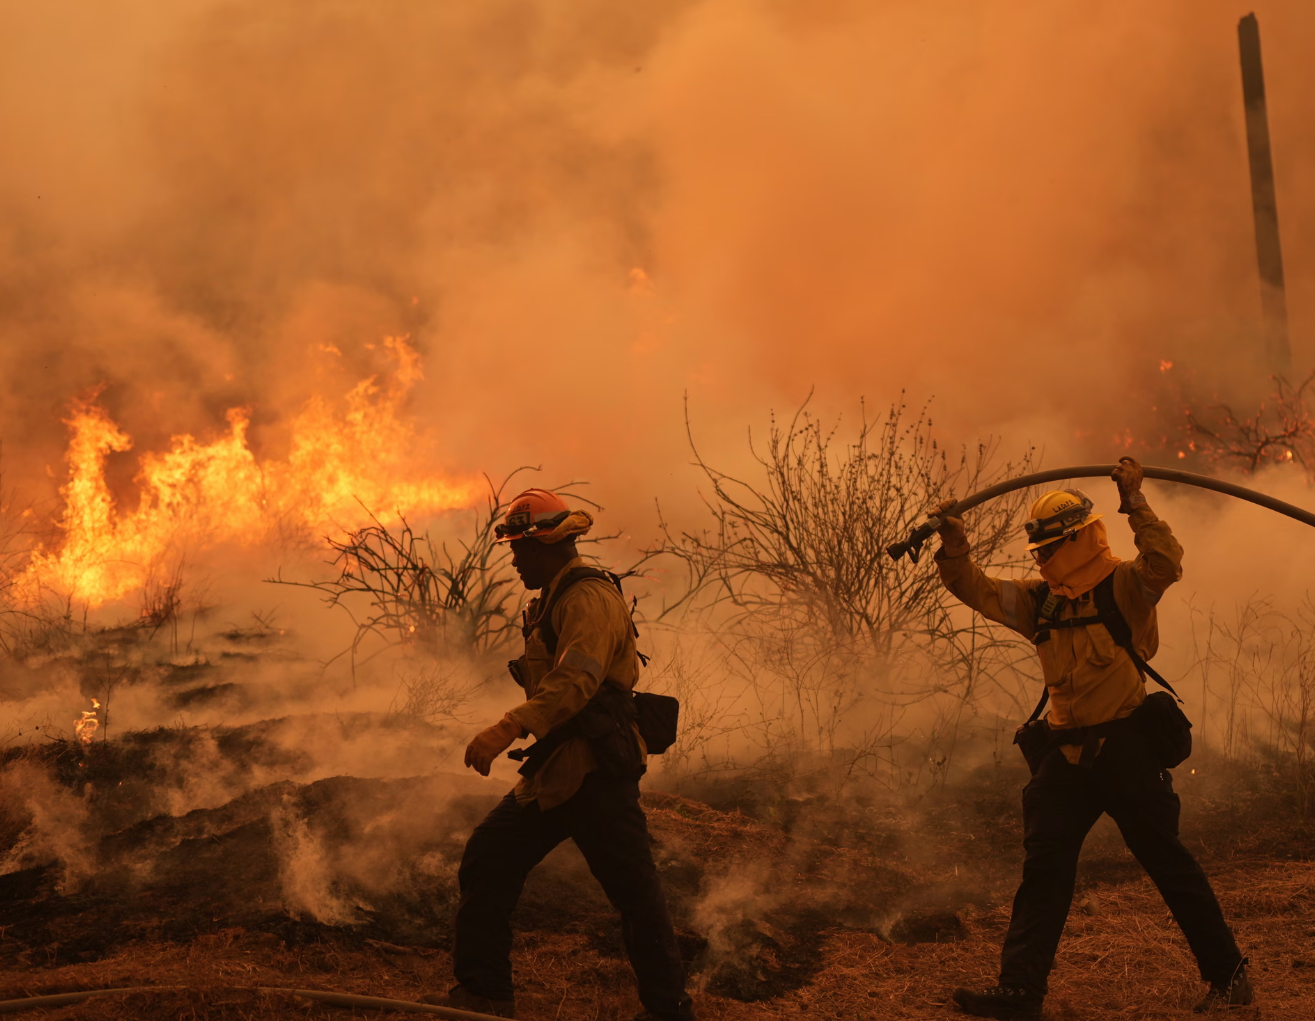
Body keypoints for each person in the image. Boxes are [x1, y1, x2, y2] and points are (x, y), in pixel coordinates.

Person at [933, 457, 1250, 1018]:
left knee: (1169, 866)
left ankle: (1230, 980)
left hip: (1127, 749)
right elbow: (975, 588)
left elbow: (1167, 563)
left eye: (1051, 548)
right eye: (1039, 553)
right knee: (1044, 873)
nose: (1043, 560)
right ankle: (1020, 992)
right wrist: (955, 544)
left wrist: (1136, 502)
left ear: (1079, 539)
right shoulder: (1042, 601)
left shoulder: (1127, 585)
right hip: (1066, 757)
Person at [422, 488, 694, 1021]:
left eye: (522, 550)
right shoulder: (552, 598)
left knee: (635, 893)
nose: (516, 560)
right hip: (558, 770)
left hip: (595, 772)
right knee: (489, 857)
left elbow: (577, 678)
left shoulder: (587, 598)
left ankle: (669, 1011)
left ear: (549, 543)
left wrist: (508, 727)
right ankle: (484, 994)